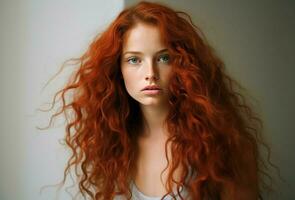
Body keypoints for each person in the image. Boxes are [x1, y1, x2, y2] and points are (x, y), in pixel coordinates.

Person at [46, 1, 278, 200]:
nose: (151, 73)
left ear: (186, 65)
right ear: (117, 69)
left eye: (164, 58)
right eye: (134, 60)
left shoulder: (224, 144)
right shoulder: (111, 142)